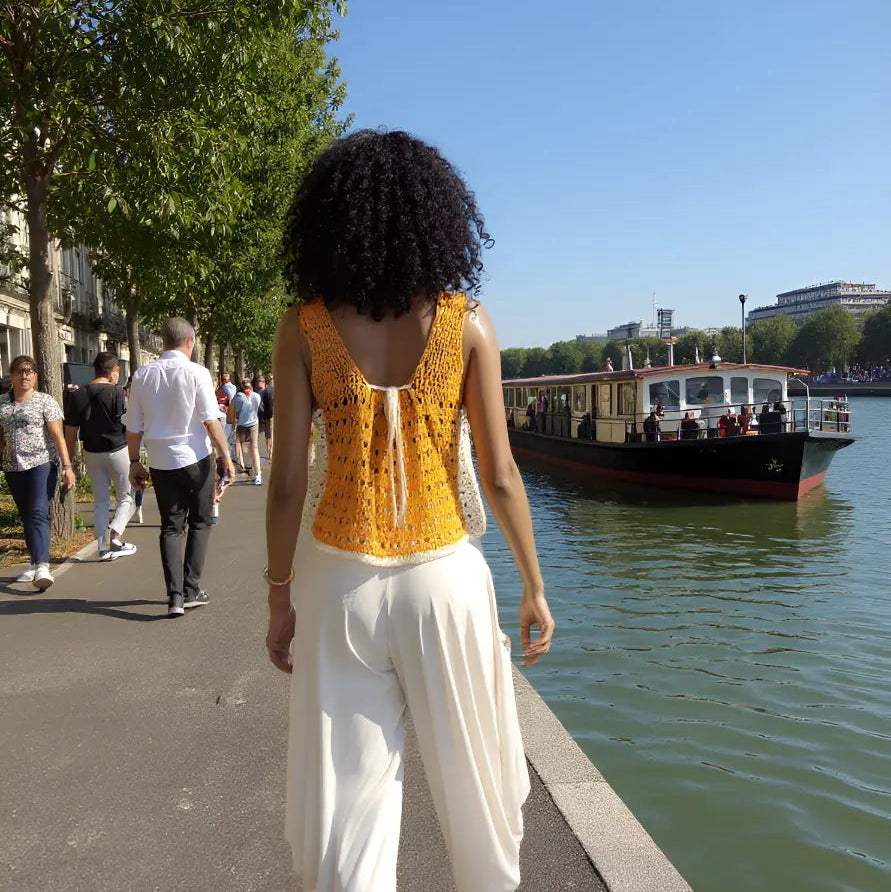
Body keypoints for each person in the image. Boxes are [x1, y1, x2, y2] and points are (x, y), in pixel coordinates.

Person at [266, 129, 554, 892]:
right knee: (475, 795)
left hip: (337, 581)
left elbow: (286, 483)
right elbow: (498, 473)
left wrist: (278, 596)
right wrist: (532, 585)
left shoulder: (303, 328)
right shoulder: (467, 323)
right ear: (438, 219)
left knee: (349, 814)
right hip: (444, 579)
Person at [125, 318, 235, 618]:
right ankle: (191, 588)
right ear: (190, 340)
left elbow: (133, 427)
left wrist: (134, 462)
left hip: (160, 461)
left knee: (171, 527)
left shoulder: (142, 375)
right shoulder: (197, 372)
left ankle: (174, 596)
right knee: (200, 522)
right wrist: (225, 456)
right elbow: (210, 420)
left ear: (163, 341)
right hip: (195, 457)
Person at [0, 355, 76, 589]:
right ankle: (34, 563)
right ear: (11, 375)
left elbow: (58, 436)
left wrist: (67, 467)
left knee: (38, 511)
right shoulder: (2, 403)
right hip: (13, 466)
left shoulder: (44, 401)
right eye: (19, 371)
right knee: (26, 514)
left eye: (29, 371)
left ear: (35, 376)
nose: (25, 376)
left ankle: (43, 566)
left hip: (41, 463)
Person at [63, 351, 137, 561]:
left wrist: (68, 462)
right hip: (118, 449)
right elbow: (131, 425)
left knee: (101, 501)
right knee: (127, 498)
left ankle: (103, 548)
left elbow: (71, 432)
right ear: (113, 371)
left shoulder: (78, 394)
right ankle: (115, 535)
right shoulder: (119, 394)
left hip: (91, 452)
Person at [232, 378, 262, 484]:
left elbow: (237, 411)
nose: (247, 389)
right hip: (248, 424)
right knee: (249, 448)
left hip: (247, 424)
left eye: (247, 387)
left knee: (250, 448)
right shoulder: (255, 396)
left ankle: (255, 471)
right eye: (246, 387)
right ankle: (253, 470)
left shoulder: (240, 397)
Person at [257, 373, 274, 462]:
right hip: (264, 417)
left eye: (261, 381)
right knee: (267, 436)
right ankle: (270, 453)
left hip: (268, 417)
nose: (260, 383)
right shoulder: (259, 392)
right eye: (259, 381)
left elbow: (268, 405)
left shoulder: (267, 391)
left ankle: (270, 454)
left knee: (269, 436)